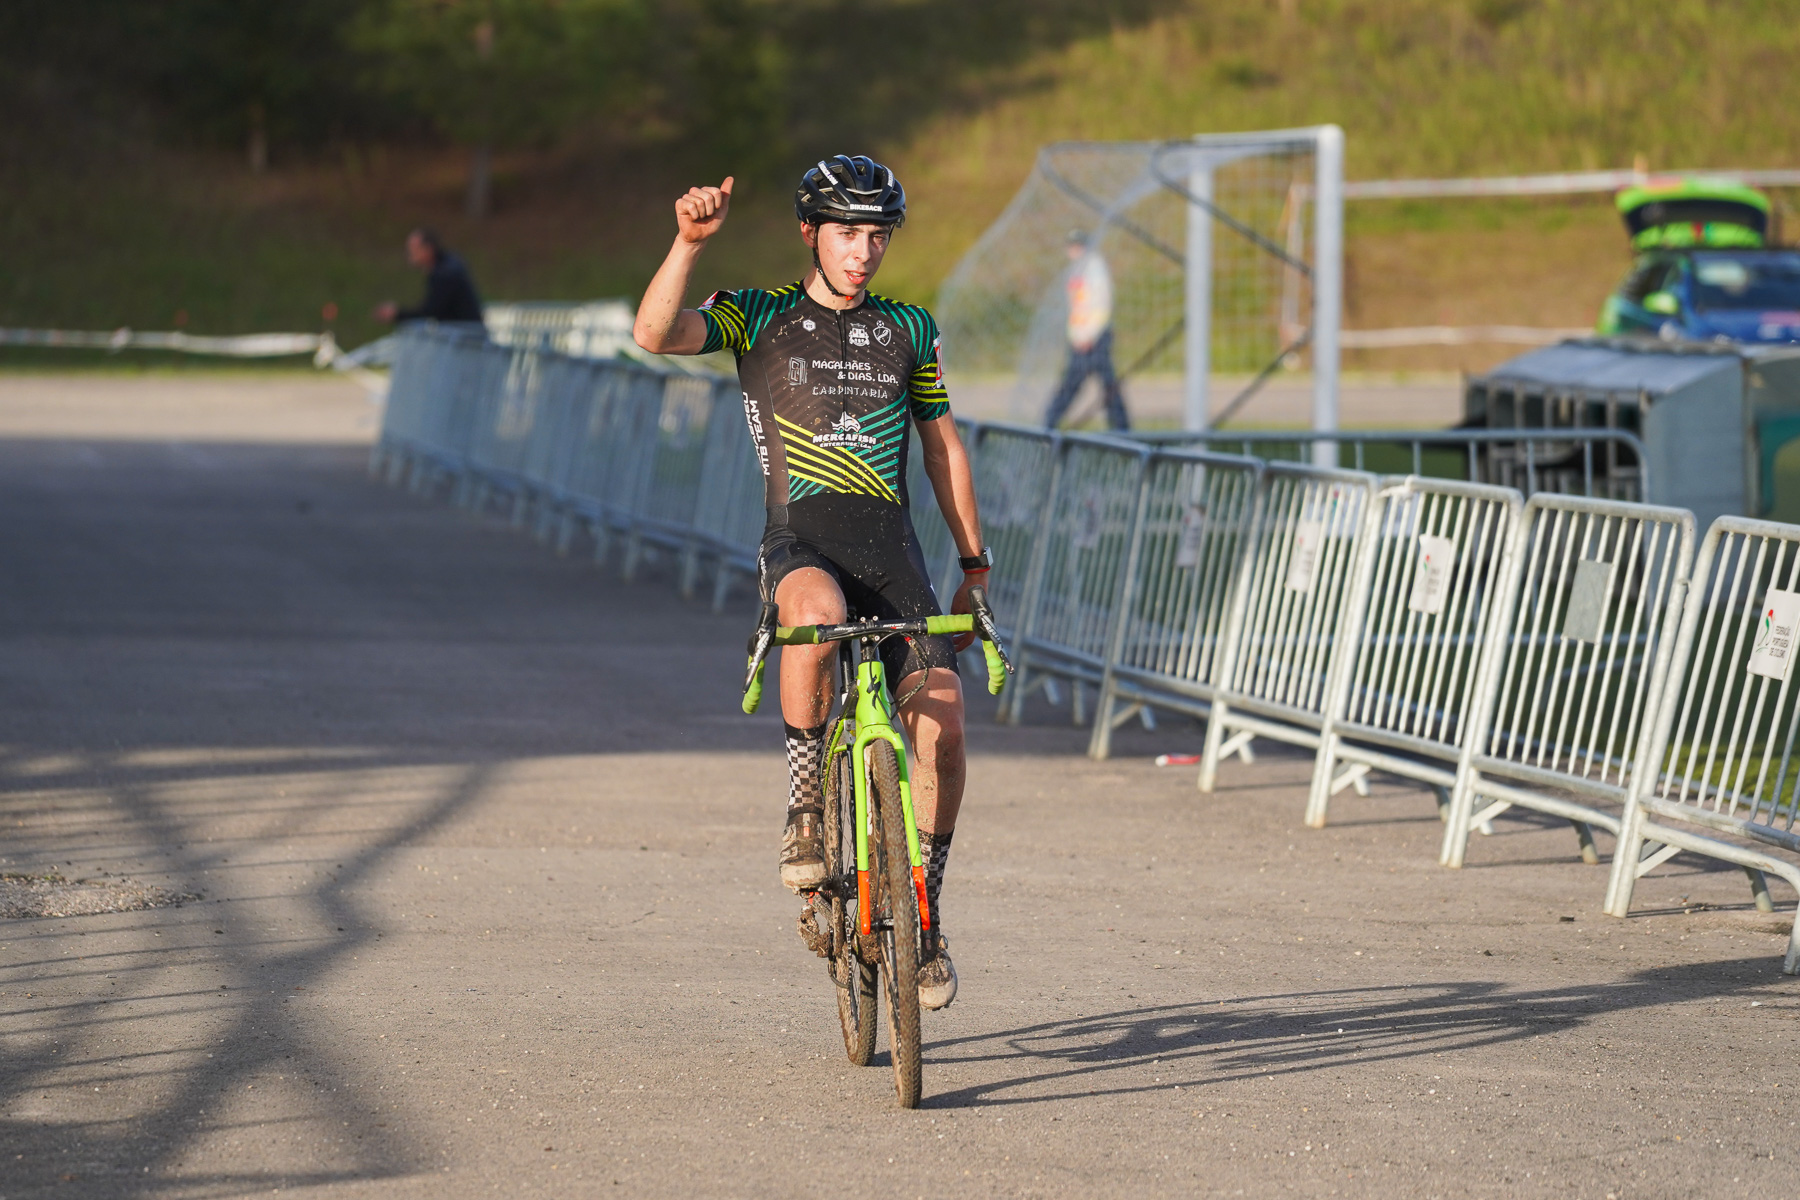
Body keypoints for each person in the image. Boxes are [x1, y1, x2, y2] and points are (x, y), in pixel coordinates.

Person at [633, 155, 990, 1012]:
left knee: (943, 726)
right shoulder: (758, 316)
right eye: (847, 234)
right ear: (810, 233)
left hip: (893, 555)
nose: (863, 252)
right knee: (816, 616)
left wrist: (973, 569)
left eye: (877, 235)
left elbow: (942, 449)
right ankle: (803, 808)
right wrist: (687, 243)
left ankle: (927, 914)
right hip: (803, 544)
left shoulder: (911, 326)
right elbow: (655, 334)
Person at [1043, 229, 1129, 431]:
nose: (1074, 250)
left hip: (1094, 339)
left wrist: (1089, 335)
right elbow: (1076, 308)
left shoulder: (1095, 269)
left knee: (1106, 385)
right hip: (1080, 339)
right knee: (1074, 383)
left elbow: (1101, 305)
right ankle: (1049, 422)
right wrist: (1075, 335)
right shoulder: (1077, 270)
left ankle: (1121, 428)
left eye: (1078, 246)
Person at [374, 229, 485, 328]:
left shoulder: (444, 274)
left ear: (428, 249)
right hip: (464, 333)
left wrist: (397, 314)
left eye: (413, 249)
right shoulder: (448, 263)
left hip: (464, 339)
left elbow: (431, 311)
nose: (409, 254)